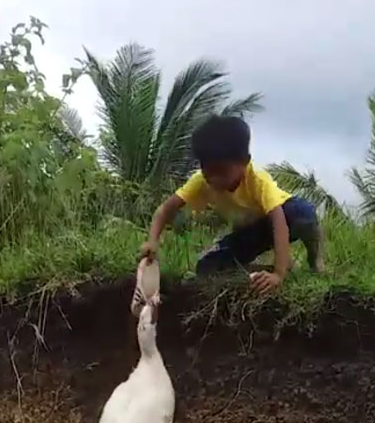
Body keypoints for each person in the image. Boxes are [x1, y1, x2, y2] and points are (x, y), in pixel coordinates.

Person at [138, 115, 325, 295]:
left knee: (303, 214)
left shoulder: (258, 180)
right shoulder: (200, 182)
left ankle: (313, 260)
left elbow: (278, 221)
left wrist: (278, 274)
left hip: (285, 215)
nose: (213, 179)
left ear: (245, 162)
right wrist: (152, 240)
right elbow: (165, 210)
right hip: (251, 232)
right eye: (206, 171)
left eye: (221, 171)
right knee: (206, 267)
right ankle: (270, 269)